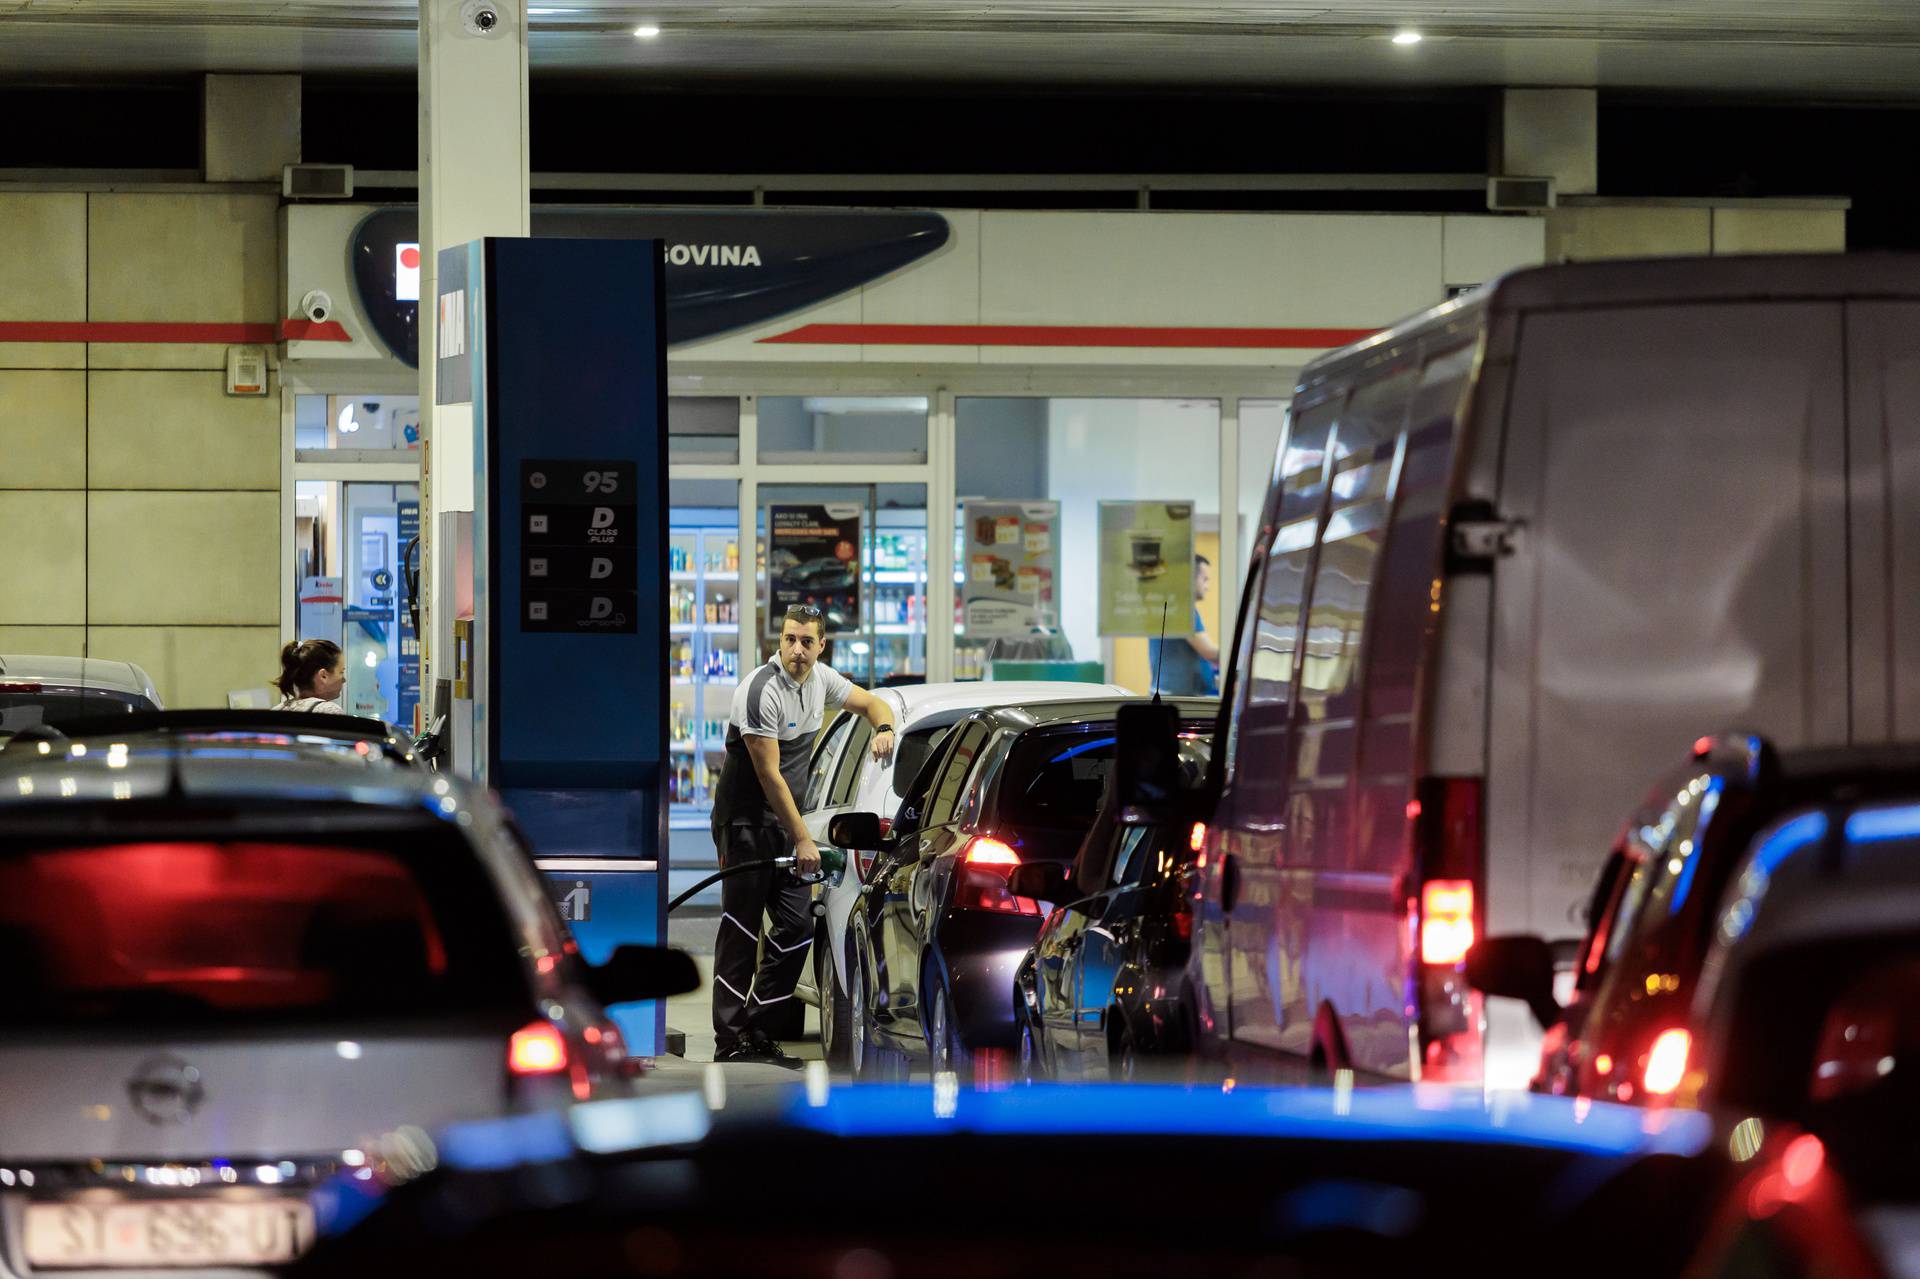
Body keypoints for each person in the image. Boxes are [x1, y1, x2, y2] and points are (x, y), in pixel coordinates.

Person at [710, 604, 896, 1068]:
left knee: (795, 929)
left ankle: (755, 1030)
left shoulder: (822, 681)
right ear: (780, 639)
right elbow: (770, 776)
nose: (797, 649)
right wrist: (803, 840)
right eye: (790, 639)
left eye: (806, 642)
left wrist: (885, 728)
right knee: (741, 927)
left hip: (784, 825)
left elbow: (874, 702)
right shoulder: (759, 691)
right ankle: (728, 1040)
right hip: (746, 823)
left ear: (821, 645)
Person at [1147, 554, 1220, 696]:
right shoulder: (1181, 608)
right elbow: (1209, 651)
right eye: (1204, 579)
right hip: (1177, 698)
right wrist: (1241, 655)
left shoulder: (1172, 604)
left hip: (1172, 694)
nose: (1207, 587)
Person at [273, 639, 348, 714]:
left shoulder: (277, 710)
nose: (344, 680)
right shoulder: (329, 711)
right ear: (323, 676)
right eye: (341, 672)